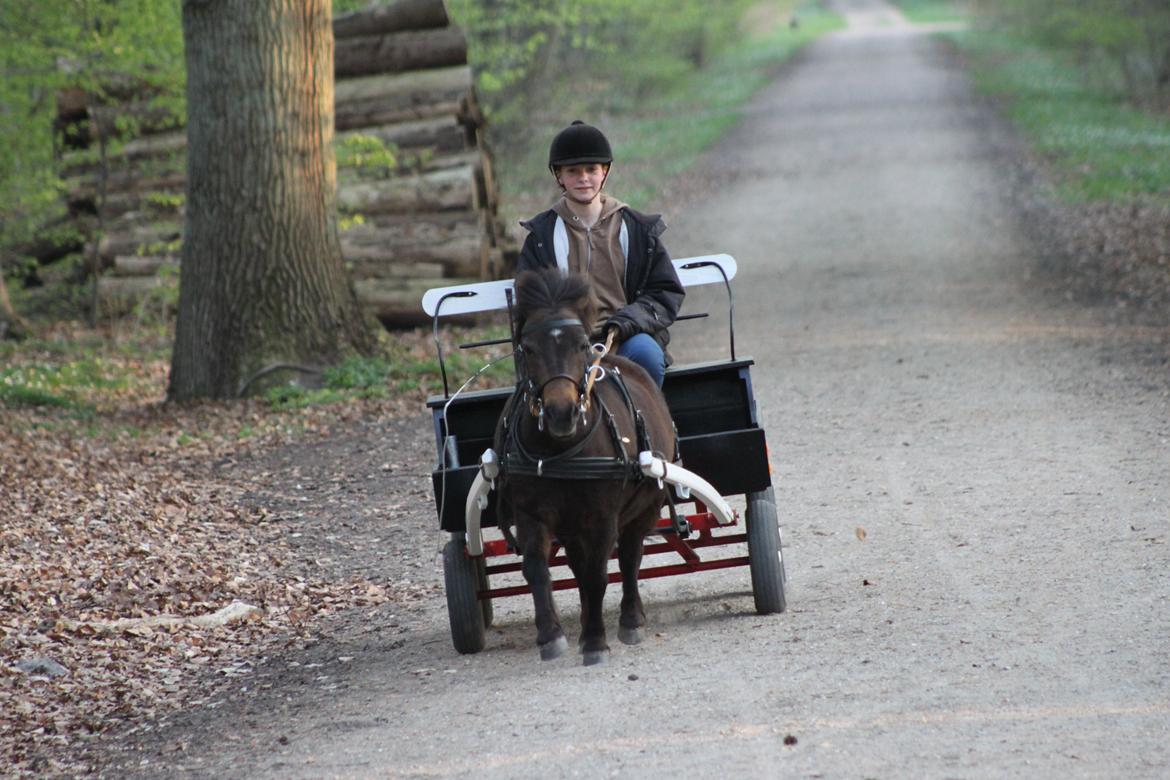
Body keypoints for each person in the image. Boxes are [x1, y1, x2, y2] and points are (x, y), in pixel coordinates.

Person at [516, 120, 684, 387]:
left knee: (647, 356)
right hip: (564, 341)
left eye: (591, 169)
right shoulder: (542, 236)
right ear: (558, 175)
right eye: (573, 171)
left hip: (627, 336)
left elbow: (664, 291)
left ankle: (648, 427)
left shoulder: (637, 229)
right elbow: (530, 300)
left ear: (605, 172)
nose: (583, 178)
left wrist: (625, 323)